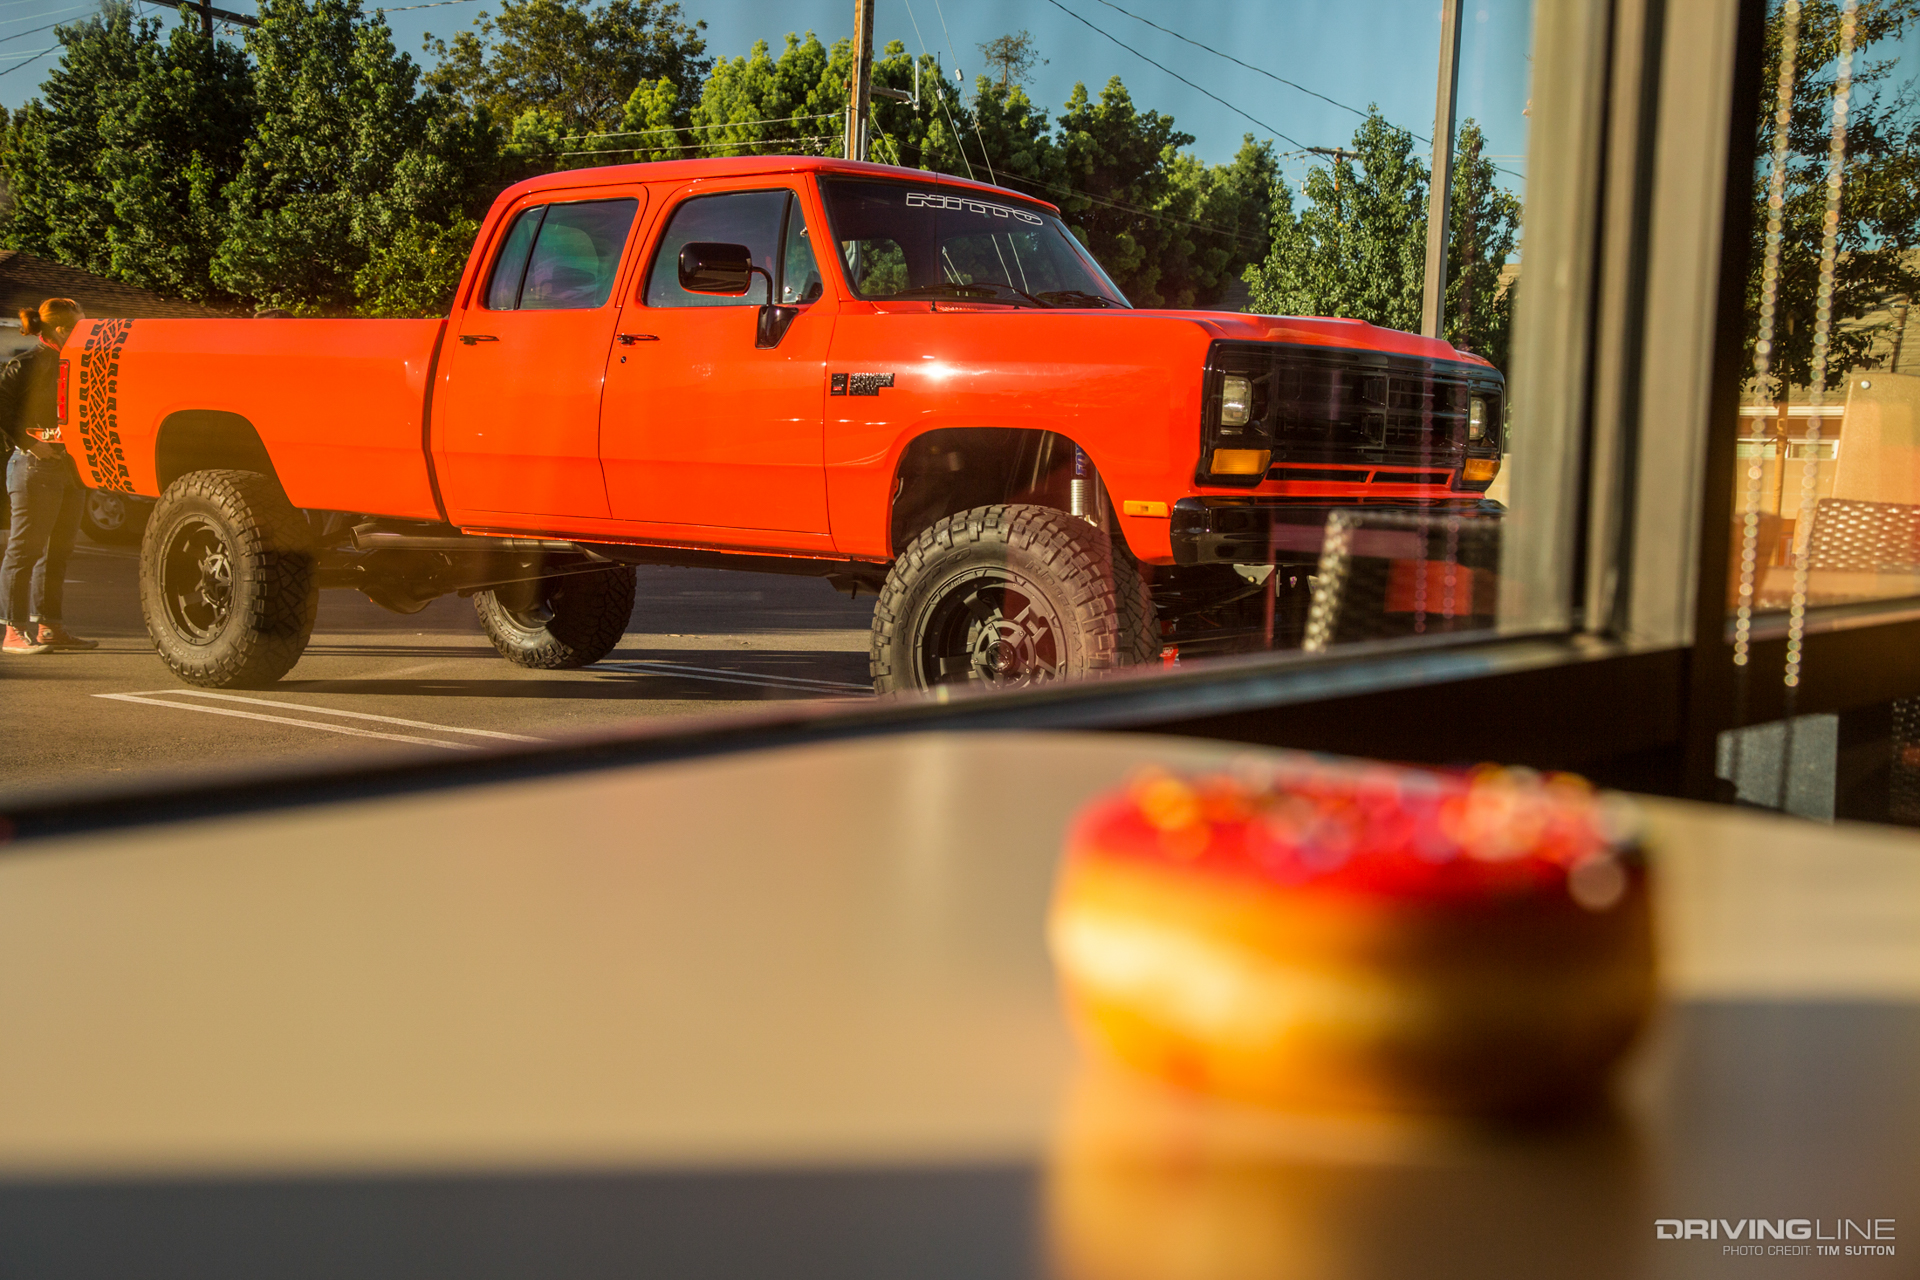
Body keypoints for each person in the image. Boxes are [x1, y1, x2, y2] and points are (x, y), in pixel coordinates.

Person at [0, 298, 98, 654]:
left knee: (58, 551)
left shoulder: (78, 364)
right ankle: (13, 633)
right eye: (81, 325)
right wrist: (28, 442)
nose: (86, 331)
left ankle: (50, 627)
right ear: (61, 330)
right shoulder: (25, 364)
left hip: (71, 469)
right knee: (24, 550)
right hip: (33, 466)